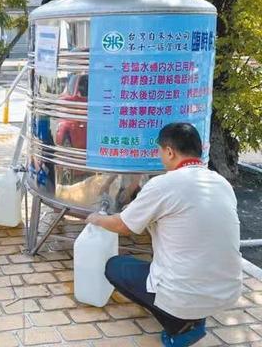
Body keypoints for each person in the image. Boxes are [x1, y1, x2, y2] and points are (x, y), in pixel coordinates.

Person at [86, 123, 242, 347]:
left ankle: (180, 326)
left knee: (115, 267)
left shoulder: (164, 184)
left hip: (183, 293)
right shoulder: (221, 183)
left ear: (169, 151)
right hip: (227, 291)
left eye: (160, 151)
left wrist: (96, 218)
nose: (160, 157)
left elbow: (123, 225)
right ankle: (194, 313)